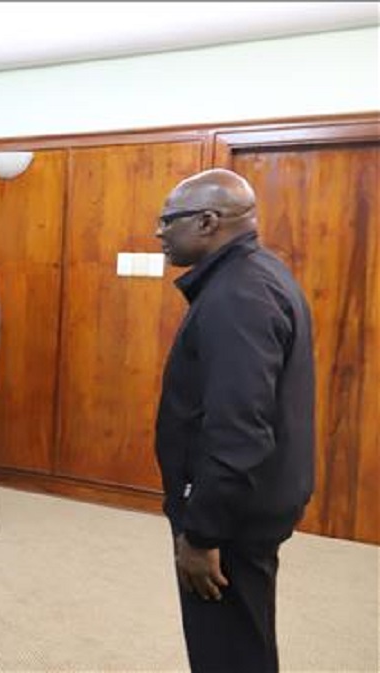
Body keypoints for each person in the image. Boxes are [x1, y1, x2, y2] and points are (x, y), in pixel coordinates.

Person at [154, 168, 315, 672]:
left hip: (230, 518)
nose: (159, 232)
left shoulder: (238, 295)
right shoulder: (255, 274)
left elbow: (238, 431)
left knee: (227, 653)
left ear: (207, 221)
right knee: (245, 641)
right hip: (249, 503)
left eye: (168, 220)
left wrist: (203, 535)